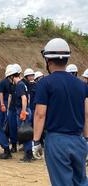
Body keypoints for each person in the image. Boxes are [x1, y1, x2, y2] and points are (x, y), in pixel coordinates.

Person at [32, 38, 88, 185]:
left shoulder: (45, 83)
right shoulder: (82, 85)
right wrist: (86, 139)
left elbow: (40, 114)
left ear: (48, 60)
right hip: (78, 140)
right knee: (80, 181)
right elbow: (87, 114)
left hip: (57, 141)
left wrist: (36, 141)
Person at [6, 65, 33, 162]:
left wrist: (23, 111)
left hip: (21, 111)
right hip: (23, 110)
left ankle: (28, 155)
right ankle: (29, 153)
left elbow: (24, 98)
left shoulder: (20, 85)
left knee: (24, 133)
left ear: (12, 76)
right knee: (25, 132)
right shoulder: (22, 84)